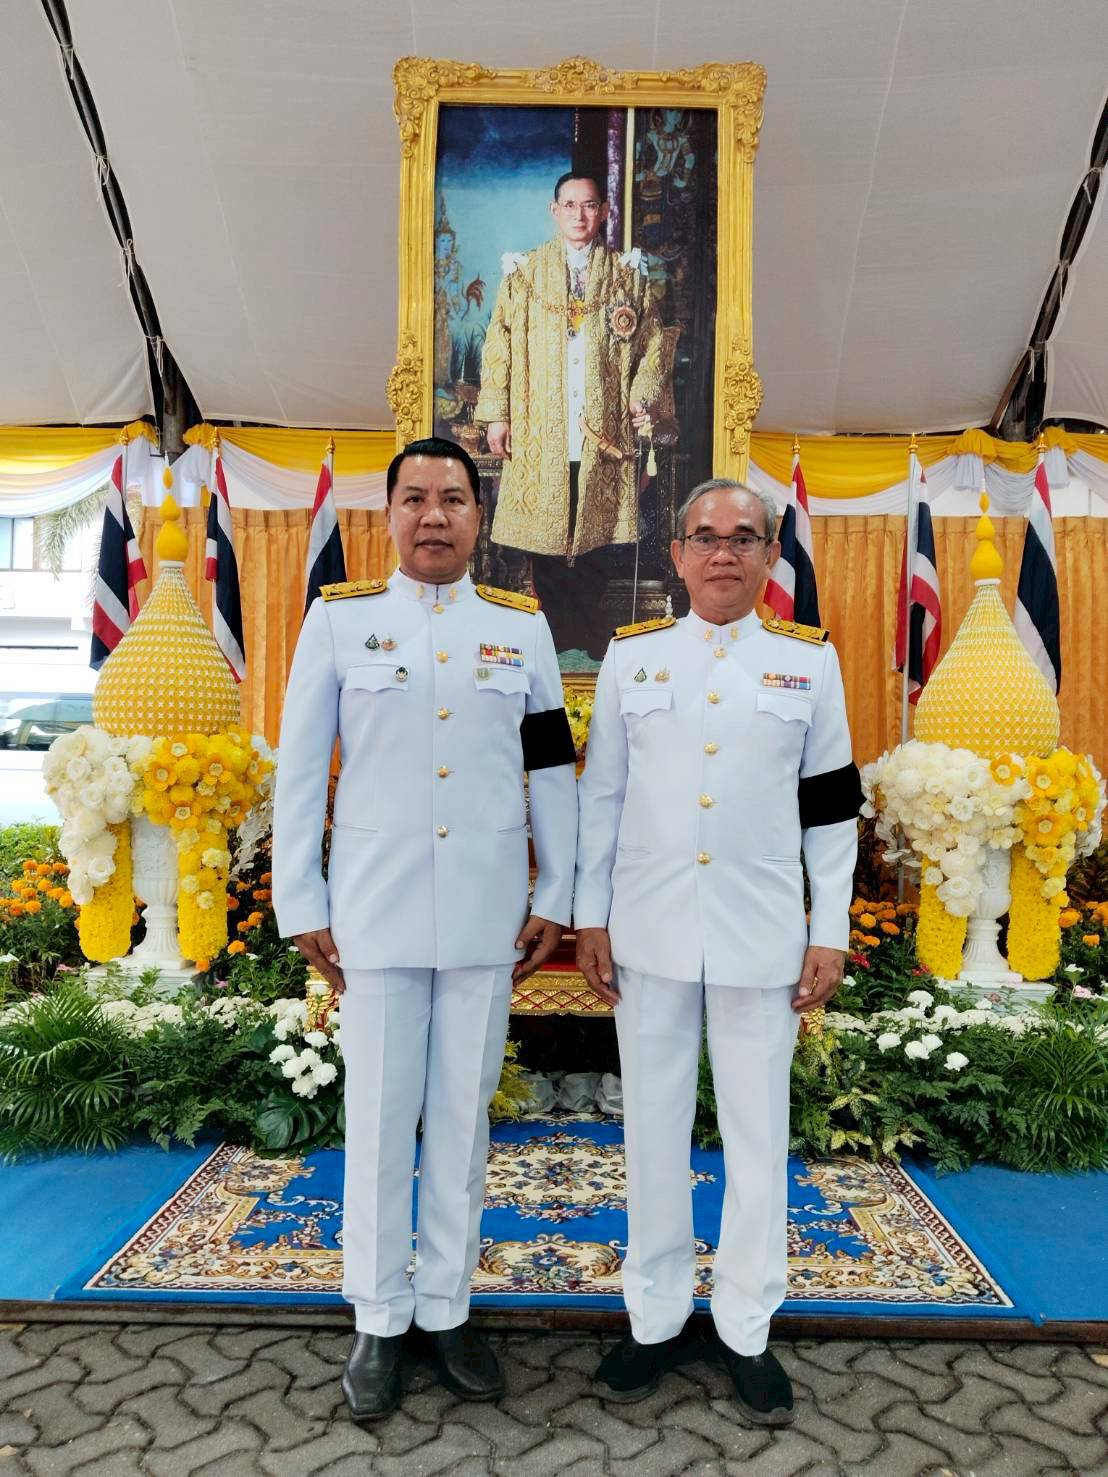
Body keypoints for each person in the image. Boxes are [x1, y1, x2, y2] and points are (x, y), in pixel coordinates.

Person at [272, 436, 579, 1423]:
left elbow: (547, 767)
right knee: (377, 1119)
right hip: (375, 909)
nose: (434, 515)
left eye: (452, 498)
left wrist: (556, 888)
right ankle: (377, 1315)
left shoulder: (520, 630)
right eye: (415, 498)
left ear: (479, 517)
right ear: (389, 514)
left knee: (461, 1114)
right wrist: (302, 901)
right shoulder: (339, 621)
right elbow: (298, 768)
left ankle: (448, 1306)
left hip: (487, 911)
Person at [574, 478, 861, 1423]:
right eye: (707, 537)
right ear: (679, 555)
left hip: (760, 932)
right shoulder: (634, 657)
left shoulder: (808, 664)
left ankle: (746, 1325)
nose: (725, 553)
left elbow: (829, 811)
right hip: (649, 930)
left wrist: (829, 927)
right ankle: (654, 1316)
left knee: (755, 1136)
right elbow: (603, 796)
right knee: (651, 1129)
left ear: (771, 553)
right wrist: (592, 915)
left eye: (744, 536)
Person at [475, 171, 667, 656]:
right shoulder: (524, 273)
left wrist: (641, 398)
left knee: (596, 537)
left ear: (602, 211)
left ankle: (591, 643)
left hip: (602, 431)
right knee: (548, 539)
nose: (579, 215)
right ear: (554, 210)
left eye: (589, 206)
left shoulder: (627, 275)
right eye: (569, 205)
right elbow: (498, 346)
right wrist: (498, 414)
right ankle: (555, 641)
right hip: (543, 429)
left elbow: (655, 345)